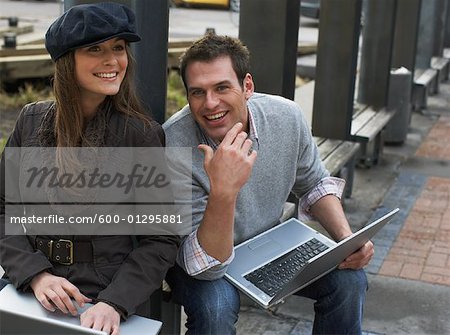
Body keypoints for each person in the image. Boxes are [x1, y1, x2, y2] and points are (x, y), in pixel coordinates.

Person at [163, 34, 374, 334]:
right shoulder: (173, 143)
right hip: (198, 257)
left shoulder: (285, 117)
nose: (210, 104)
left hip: (263, 243)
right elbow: (206, 266)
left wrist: (347, 241)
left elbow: (314, 182)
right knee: (216, 308)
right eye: (198, 92)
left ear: (247, 86)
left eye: (222, 87)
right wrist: (224, 189)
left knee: (350, 280)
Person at [0, 3, 179, 335]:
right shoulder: (31, 121)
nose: (112, 60)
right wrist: (35, 274)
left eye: (119, 48)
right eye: (95, 49)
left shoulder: (139, 136)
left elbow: (161, 239)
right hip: (32, 286)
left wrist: (115, 303)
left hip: (103, 296)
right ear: (68, 61)